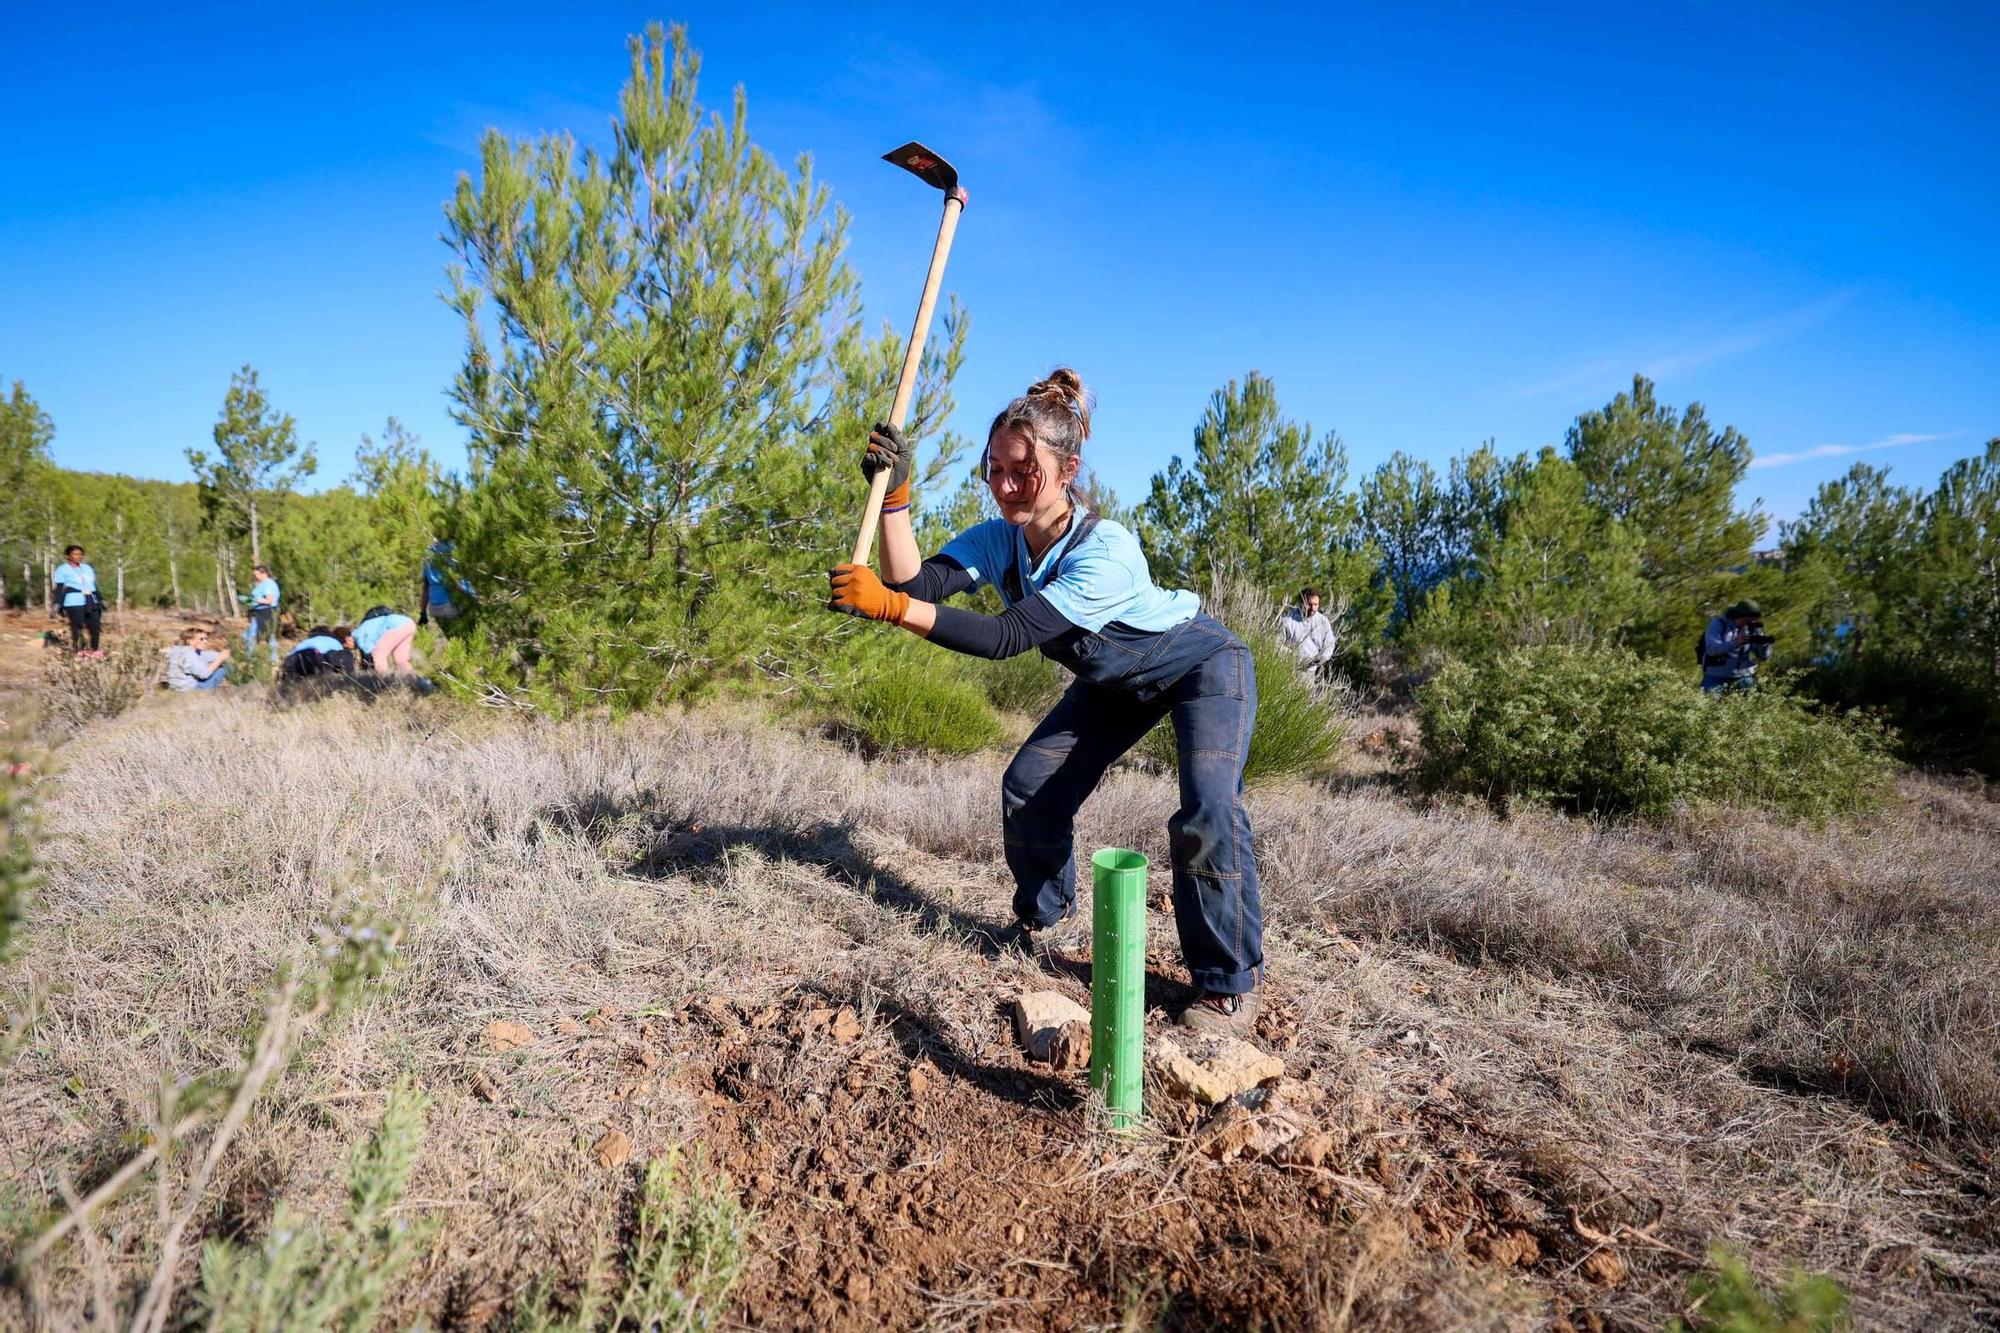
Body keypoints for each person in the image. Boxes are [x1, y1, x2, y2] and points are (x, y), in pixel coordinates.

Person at [827, 369, 1264, 1036]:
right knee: (1030, 787)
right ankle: (1044, 920)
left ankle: (1226, 987)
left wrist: (889, 609)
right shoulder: (1000, 537)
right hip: (1115, 681)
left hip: (1199, 663)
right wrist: (896, 498)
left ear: (1068, 469)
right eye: (994, 469)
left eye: (1022, 472)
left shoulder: (1106, 550)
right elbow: (918, 581)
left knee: (1207, 807)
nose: (1004, 486)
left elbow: (1006, 636)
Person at [1701, 599, 1774, 692]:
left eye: (1752, 620)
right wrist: (1736, 643)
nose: (1748, 623)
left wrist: (1764, 644)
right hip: (1716, 677)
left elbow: (1764, 657)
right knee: (1710, 704)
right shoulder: (1719, 624)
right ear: (1737, 616)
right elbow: (1712, 650)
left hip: (1744, 677)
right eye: (1746, 620)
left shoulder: (1753, 628)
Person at [51, 545, 104, 657]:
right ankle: (79, 650)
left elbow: (94, 585)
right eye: (75, 554)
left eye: (80, 554)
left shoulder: (87, 568)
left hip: (91, 599)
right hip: (74, 601)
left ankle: (95, 650)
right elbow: (59, 588)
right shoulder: (62, 570)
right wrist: (56, 604)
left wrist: (101, 599)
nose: (78, 557)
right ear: (68, 556)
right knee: (77, 626)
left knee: (95, 626)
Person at [1279, 586, 1337, 672]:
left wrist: (1321, 658)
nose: (1313, 608)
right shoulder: (1287, 619)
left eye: (1315, 604)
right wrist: (1293, 656)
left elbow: (1329, 643)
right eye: (1309, 604)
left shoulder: (1323, 621)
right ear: (1301, 603)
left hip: (1309, 671)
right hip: (1287, 668)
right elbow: (1275, 643)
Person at [352, 606, 417, 674]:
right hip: (409, 623)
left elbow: (368, 650)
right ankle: (410, 679)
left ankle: (384, 680)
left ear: (347, 640)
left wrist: (366, 669)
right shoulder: (368, 626)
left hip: (397, 625)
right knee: (401, 659)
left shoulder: (357, 634)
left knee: (378, 653)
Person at [163, 626, 231, 691]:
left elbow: (210, 655)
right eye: (201, 639)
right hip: (188, 689)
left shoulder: (180, 649)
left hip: (177, 687)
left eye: (206, 639)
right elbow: (204, 674)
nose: (205, 642)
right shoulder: (188, 655)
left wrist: (226, 654)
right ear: (190, 641)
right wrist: (219, 659)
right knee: (223, 669)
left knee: (225, 664)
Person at [282, 625, 356, 678]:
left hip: (289, 662)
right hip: (311, 657)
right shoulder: (335, 643)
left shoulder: (310, 640)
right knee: (346, 655)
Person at [245, 565, 281, 662]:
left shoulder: (268, 584)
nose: (255, 576)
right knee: (269, 636)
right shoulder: (266, 583)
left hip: (264, 612)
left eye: (256, 574)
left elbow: (269, 600)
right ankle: (273, 659)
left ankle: (250, 659)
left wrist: (254, 601)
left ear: (263, 573)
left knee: (251, 635)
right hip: (263, 611)